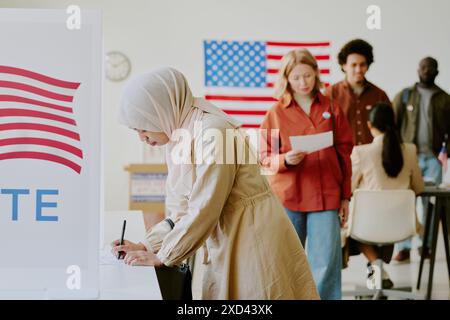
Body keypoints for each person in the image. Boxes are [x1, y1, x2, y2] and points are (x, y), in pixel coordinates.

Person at [111, 67, 319, 300]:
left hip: (252, 239)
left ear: (161, 111)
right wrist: (147, 245)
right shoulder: (182, 135)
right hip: (230, 237)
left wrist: (165, 256)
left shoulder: (213, 132)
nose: (142, 137)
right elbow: (183, 210)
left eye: (143, 127)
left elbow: (205, 206)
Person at [259, 49, 353, 300]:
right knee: (287, 262)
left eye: (308, 76)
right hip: (289, 197)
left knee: (326, 265)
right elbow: (264, 158)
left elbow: (345, 155)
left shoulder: (332, 108)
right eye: (297, 77)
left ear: (316, 75)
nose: (303, 83)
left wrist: (346, 197)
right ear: (287, 79)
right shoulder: (275, 114)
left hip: (327, 197)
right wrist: (285, 160)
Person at [350, 102, 424, 288]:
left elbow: (349, 188)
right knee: (388, 224)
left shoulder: (361, 152)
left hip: (366, 225)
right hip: (401, 224)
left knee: (352, 223)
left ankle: (375, 265)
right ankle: (379, 270)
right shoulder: (410, 150)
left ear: (369, 125)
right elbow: (419, 187)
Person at [392, 56, 450, 262]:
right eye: (423, 67)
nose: (427, 70)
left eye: (431, 68)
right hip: (408, 159)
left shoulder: (445, 99)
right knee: (405, 202)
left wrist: (446, 152)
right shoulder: (405, 96)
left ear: (437, 71)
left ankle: (426, 246)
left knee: (431, 205)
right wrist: (397, 153)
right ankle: (404, 247)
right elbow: (393, 125)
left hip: (433, 159)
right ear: (418, 69)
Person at [326, 39, 390, 146]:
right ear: (344, 65)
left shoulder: (380, 95)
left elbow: (389, 129)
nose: (358, 69)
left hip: (372, 157)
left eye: (362, 64)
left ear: (368, 65)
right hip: (344, 158)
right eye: (353, 65)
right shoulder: (331, 94)